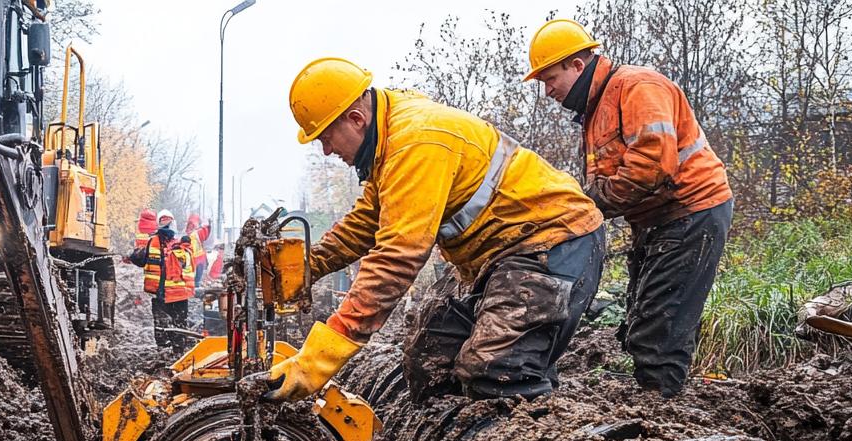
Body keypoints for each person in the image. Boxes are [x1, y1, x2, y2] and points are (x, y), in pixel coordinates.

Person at [265, 57, 606, 403]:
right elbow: (364, 223)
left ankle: (536, 439)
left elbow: (397, 257)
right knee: (431, 359)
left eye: (326, 138)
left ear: (356, 119)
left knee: (497, 370)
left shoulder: (415, 142)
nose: (327, 151)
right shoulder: (389, 138)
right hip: (501, 256)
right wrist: (304, 268)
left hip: (552, 244)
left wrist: (318, 360)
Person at [526, 19, 733, 397]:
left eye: (549, 77)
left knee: (659, 327)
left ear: (577, 64)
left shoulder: (637, 87)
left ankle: (659, 412)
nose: (547, 90)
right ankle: (658, 397)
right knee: (643, 318)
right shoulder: (597, 107)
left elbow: (652, 164)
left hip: (691, 210)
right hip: (659, 218)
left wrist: (588, 207)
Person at [129, 209, 195, 350]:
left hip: (172, 294)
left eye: (167, 220)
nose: (166, 224)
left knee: (170, 326)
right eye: (164, 220)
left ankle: (172, 352)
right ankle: (172, 353)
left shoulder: (172, 244)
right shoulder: (178, 245)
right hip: (168, 294)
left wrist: (133, 254)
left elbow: (139, 259)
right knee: (171, 326)